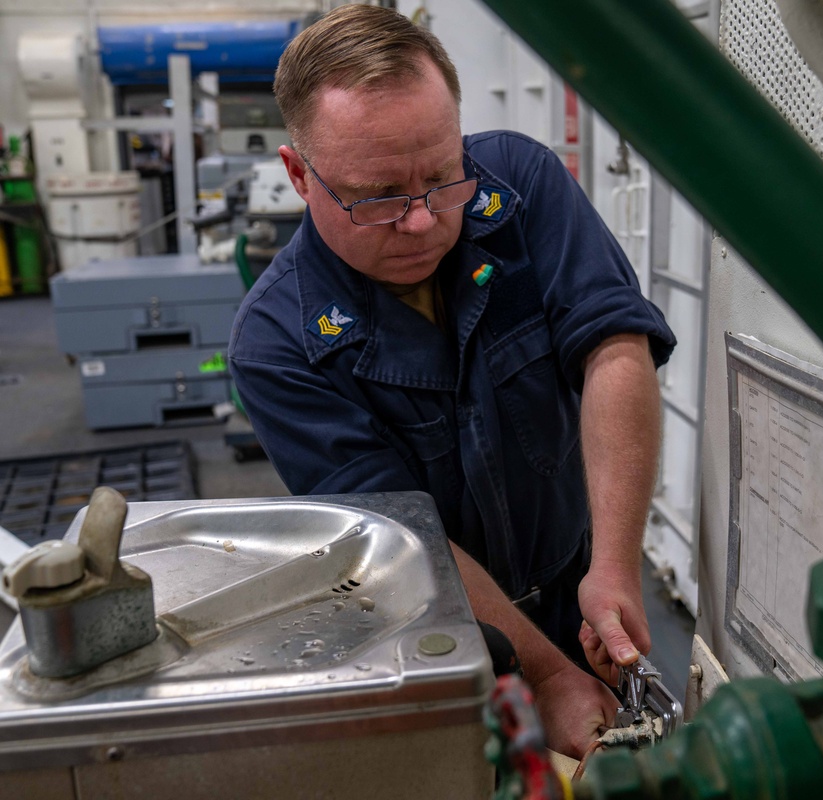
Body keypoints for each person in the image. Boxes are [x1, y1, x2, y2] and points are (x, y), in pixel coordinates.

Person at [228, 4, 676, 759]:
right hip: (433, 635)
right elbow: (405, 531)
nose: (421, 223)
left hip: (579, 586)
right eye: (376, 197)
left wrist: (616, 567)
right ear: (300, 176)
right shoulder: (275, 346)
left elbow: (614, 349)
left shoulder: (521, 183)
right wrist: (547, 676)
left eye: (441, 179)